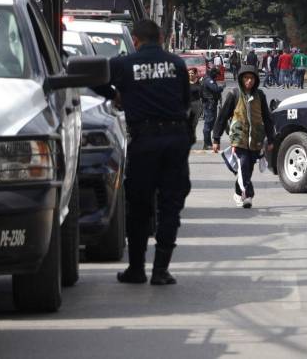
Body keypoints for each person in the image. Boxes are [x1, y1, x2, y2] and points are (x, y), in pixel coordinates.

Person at [93, 19, 190, 286]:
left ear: (135, 40)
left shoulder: (124, 65)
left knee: (139, 205)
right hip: (175, 139)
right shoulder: (177, 64)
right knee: (170, 205)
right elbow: (184, 101)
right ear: (160, 38)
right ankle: (161, 270)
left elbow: (93, 77)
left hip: (145, 140)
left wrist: (115, 93)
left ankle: (137, 269)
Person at [212, 65, 275, 208]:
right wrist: (216, 138)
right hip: (239, 139)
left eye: (252, 78)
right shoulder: (234, 94)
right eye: (246, 78)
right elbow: (222, 117)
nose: (249, 81)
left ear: (256, 80)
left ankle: (238, 192)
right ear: (241, 79)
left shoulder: (260, 95)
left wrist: (271, 139)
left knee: (247, 169)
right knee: (243, 163)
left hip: (255, 139)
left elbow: (267, 118)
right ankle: (248, 195)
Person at [201, 66, 224, 150]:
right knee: (208, 123)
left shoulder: (209, 79)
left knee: (211, 123)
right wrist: (221, 88)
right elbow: (215, 89)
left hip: (212, 103)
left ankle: (208, 143)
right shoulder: (208, 80)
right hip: (209, 104)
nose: (217, 77)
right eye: (216, 75)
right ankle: (206, 143)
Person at [187, 68, 203, 147]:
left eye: (192, 73)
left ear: (195, 74)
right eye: (189, 73)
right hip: (187, 104)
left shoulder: (198, 83)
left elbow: (201, 92)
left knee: (195, 121)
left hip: (197, 104)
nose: (190, 75)